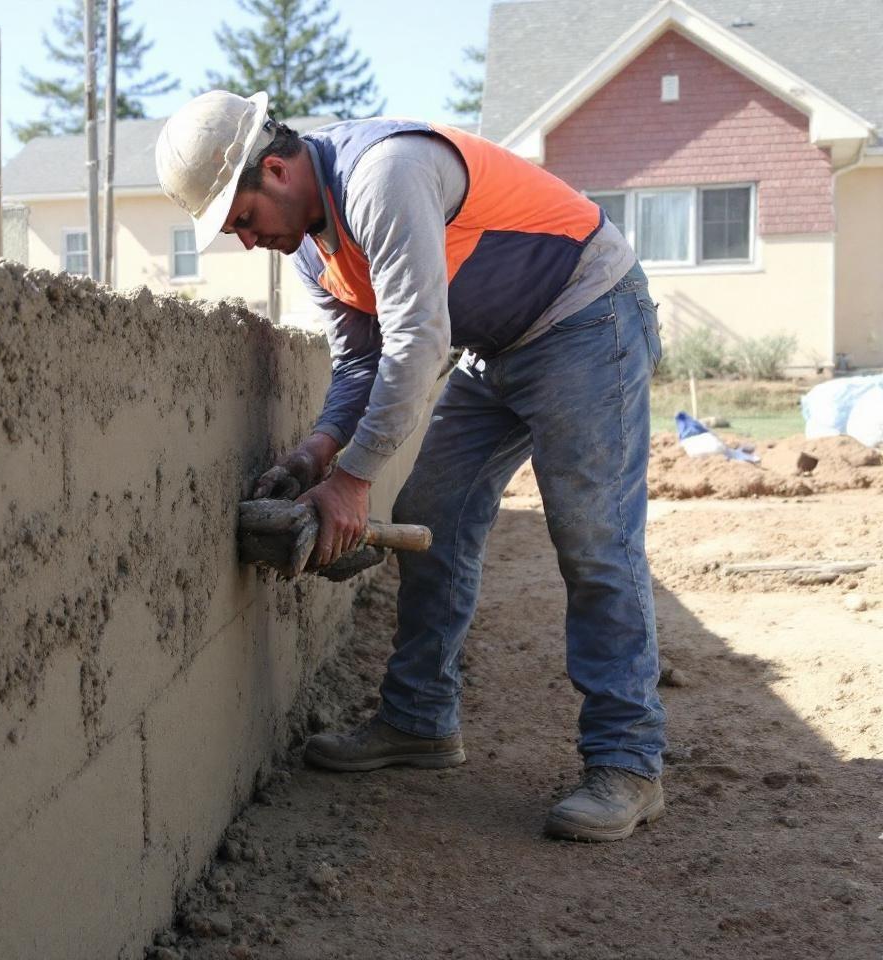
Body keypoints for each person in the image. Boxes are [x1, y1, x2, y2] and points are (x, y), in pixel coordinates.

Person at [154, 90, 666, 842]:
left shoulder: (383, 175)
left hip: (587, 317)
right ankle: (420, 720)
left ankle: (628, 762)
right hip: (498, 346)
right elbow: (362, 363)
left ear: (276, 171)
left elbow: (419, 343)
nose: (242, 240)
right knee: (436, 516)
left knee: (595, 543)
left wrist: (353, 482)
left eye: (241, 218)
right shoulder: (308, 247)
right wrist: (316, 452)